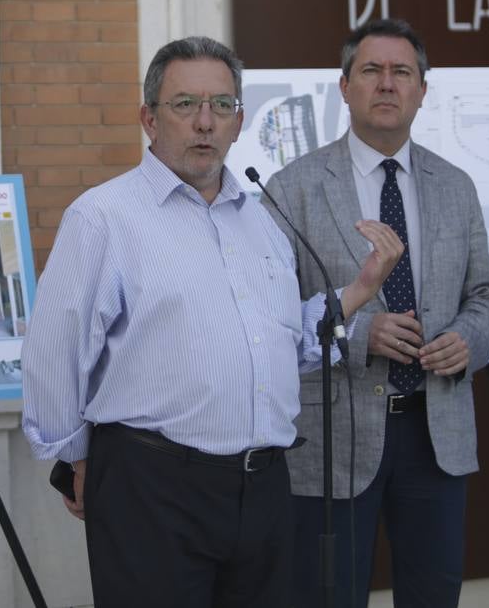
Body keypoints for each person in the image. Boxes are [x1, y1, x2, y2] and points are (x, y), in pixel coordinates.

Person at [21, 35, 405, 608]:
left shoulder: (261, 219)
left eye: (221, 106)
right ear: (149, 118)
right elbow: (54, 350)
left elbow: (283, 342)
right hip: (153, 489)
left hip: (266, 489)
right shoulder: (103, 217)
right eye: (185, 105)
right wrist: (75, 459)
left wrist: (359, 290)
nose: (205, 122)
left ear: (239, 120)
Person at [264, 18, 489, 607]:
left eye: (403, 72)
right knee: (328, 596)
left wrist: (469, 340)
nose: (387, 84)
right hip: (332, 438)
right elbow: (267, 317)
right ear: (344, 87)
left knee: (433, 594)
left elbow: (486, 295)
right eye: (371, 71)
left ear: (423, 89)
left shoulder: (455, 186)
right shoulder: (291, 188)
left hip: (436, 431)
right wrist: (360, 331)